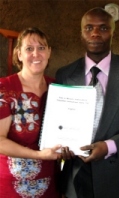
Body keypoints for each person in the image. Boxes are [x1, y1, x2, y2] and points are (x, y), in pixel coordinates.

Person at [55, 7, 119, 198]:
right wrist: (60, 146)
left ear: (113, 32)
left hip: (117, 178)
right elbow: (59, 124)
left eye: (103, 28)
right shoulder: (64, 74)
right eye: (89, 28)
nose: (95, 33)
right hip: (75, 178)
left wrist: (109, 147)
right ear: (81, 33)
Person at [0, 27, 62, 198]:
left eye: (41, 48)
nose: (36, 53)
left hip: (50, 183)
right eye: (29, 48)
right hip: (11, 185)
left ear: (49, 52)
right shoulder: (4, 88)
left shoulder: (58, 88)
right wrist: (38, 155)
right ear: (19, 54)